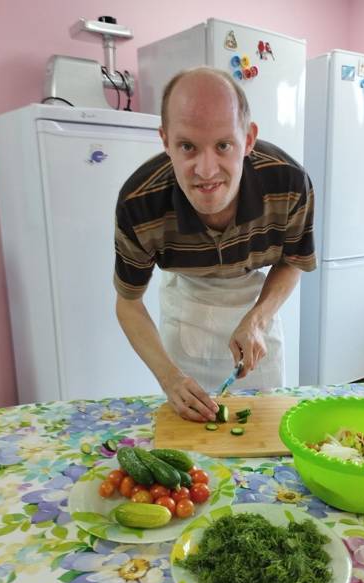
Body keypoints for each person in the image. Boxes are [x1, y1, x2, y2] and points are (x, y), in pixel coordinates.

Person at [114, 67, 315, 422]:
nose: (206, 171)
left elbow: (294, 259)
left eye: (223, 145)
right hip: (185, 315)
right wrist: (169, 378)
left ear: (248, 139)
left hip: (257, 310)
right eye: (187, 146)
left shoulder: (289, 182)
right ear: (165, 140)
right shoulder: (139, 203)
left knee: (263, 432)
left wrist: (257, 319)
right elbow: (128, 304)